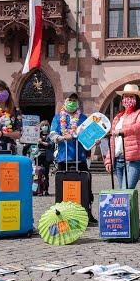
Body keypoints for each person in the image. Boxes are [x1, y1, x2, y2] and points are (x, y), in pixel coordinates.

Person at [49, 93, 97, 225]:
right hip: (63, 157)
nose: (72, 102)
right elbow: (52, 134)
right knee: (63, 187)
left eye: (74, 100)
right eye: (69, 100)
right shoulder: (58, 118)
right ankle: (62, 213)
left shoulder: (83, 118)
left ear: (77, 103)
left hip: (80, 157)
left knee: (85, 186)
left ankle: (87, 212)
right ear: (65, 102)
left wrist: (95, 141)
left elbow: (90, 135)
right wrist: (62, 137)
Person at [103, 84, 140, 190]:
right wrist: (109, 160)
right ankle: (130, 207)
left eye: (131, 97)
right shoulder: (118, 117)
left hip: (134, 158)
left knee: (126, 191)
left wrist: (122, 131)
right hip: (118, 159)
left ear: (137, 99)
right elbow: (112, 141)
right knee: (122, 194)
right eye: (125, 96)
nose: (128, 99)